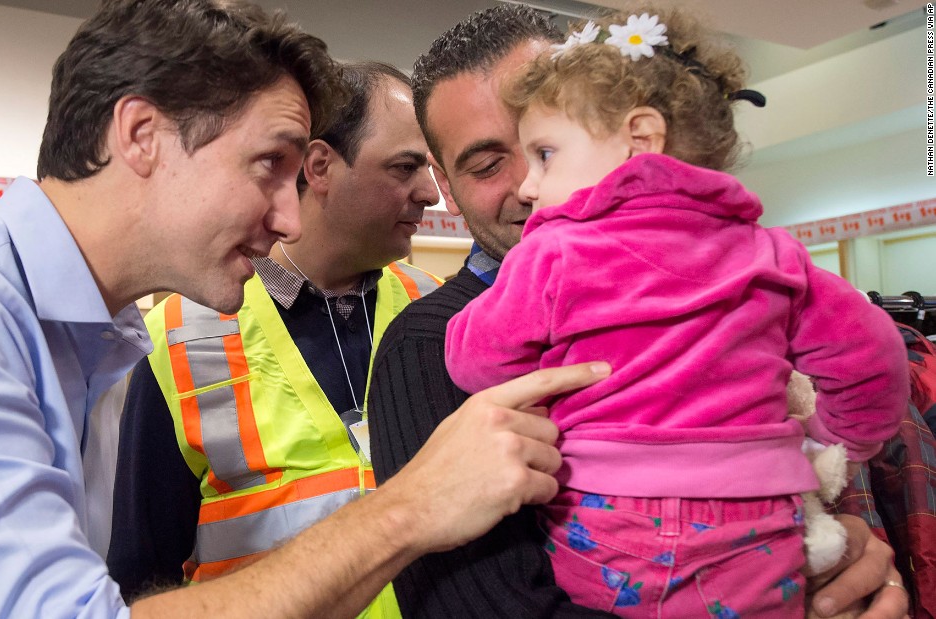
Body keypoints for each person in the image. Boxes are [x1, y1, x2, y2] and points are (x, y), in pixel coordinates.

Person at [0, 2, 609, 617]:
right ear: (142, 135)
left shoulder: (93, 340)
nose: (291, 219)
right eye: (270, 164)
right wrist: (410, 506)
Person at [367, 4, 912, 618]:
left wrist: (843, 572)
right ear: (444, 178)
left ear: (637, 136)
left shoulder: (762, 278)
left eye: (547, 148)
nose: (528, 184)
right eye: (491, 162)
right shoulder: (422, 345)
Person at [107, 61, 440, 617]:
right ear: (321, 166)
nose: (431, 194)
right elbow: (141, 576)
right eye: (405, 167)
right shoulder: (180, 340)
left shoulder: (437, 313)